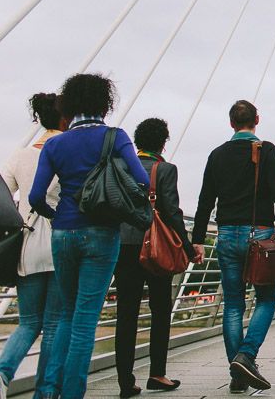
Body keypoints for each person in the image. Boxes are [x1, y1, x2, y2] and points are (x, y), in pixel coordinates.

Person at [29, 73, 150, 399]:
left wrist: (57, 218)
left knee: (66, 315)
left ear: (68, 104)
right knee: (85, 321)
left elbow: (35, 197)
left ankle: (47, 391)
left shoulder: (55, 143)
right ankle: (71, 394)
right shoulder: (115, 136)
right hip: (101, 234)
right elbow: (142, 180)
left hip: (63, 234)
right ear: (104, 102)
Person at [192, 100, 275, 394]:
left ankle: (237, 375)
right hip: (260, 234)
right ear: (257, 120)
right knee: (267, 298)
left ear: (231, 124)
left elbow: (205, 201)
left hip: (225, 235)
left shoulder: (217, 154)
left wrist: (197, 240)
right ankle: (247, 355)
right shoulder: (266, 150)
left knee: (233, 304)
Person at [0, 93, 65, 399]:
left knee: (28, 323)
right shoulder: (67, 152)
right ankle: (45, 392)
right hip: (59, 244)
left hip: (27, 245)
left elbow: (2, 195)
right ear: (64, 119)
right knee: (55, 325)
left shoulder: (19, 156)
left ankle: (0, 375)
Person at [114, 118, 197, 398]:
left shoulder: (120, 166)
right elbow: (172, 213)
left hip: (123, 246)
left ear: (138, 141)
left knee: (126, 313)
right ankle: (157, 374)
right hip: (155, 248)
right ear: (163, 142)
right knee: (160, 310)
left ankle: (126, 381)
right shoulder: (165, 170)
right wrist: (187, 247)